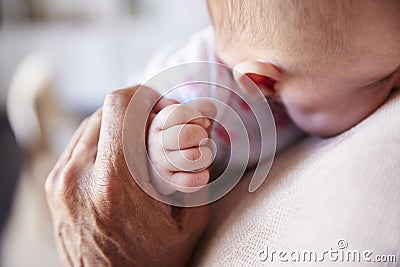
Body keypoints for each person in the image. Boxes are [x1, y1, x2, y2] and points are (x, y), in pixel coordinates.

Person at [45, 0, 400, 266]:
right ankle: (44, 123)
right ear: (264, 83)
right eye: (383, 79)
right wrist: (166, 149)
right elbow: (129, 158)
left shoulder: (308, 59)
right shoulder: (201, 97)